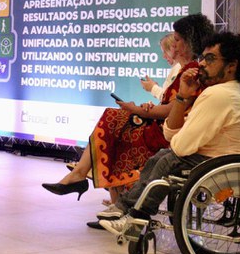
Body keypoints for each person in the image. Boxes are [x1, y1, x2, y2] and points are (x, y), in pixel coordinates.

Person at [41, 13, 215, 209]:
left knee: (114, 121)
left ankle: (86, 179)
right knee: (115, 120)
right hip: (164, 126)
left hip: (167, 132)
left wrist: (141, 110)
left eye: (176, 40)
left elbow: (172, 109)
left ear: (188, 43)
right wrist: (145, 109)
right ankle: (90, 183)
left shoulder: (191, 71)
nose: (172, 45)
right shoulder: (186, 70)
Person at [100, 31, 240, 236]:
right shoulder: (222, 92)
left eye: (210, 59)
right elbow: (171, 135)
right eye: (202, 58)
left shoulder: (218, 95)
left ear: (231, 66)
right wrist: (182, 96)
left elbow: (180, 145)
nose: (201, 64)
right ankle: (125, 209)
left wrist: (176, 139)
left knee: (168, 160)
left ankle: (134, 216)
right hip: (218, 159)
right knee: (162, 157)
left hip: (222, 164)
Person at [140, 33, 179, 101]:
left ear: (173, 49)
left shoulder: (178, 68)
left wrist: (152, 88)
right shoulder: (175, 68)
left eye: (165, 52)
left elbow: (170, 99)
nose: (164, 56)